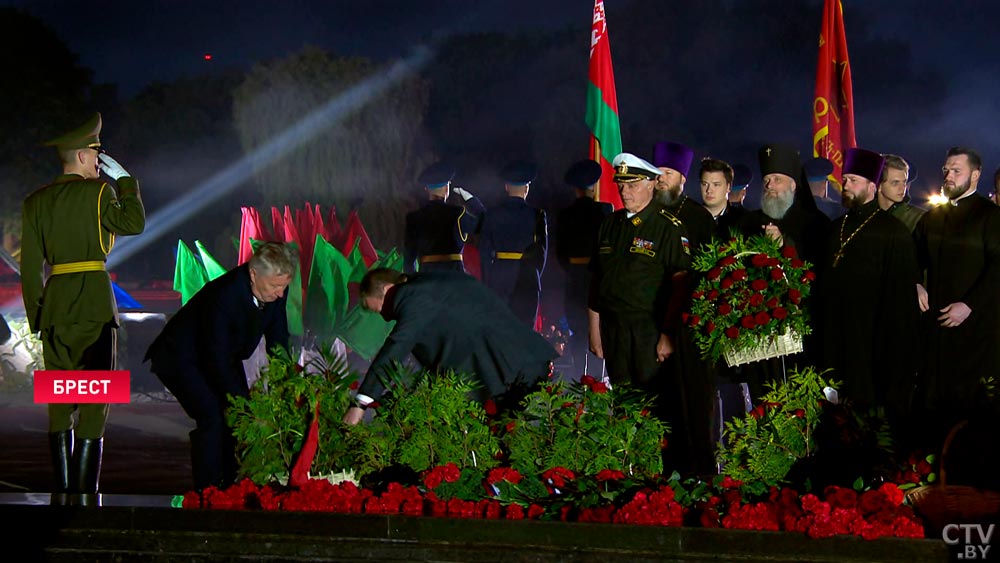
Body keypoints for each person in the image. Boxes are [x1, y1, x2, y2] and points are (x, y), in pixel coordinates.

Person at [21, 112, 146, 505]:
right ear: (80, 156)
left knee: (59, 404)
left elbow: (29, 269)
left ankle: (61, 493)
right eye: (95, 155)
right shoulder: (99, 194)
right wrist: (125, 181)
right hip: (93, 305)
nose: (98, 162)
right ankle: (86, 496)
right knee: (95, 402)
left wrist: (37, 317)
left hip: (55, 308)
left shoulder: (35, 202)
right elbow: (134, 223)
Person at [145, 242, 297, 491]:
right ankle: (209, 491)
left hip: (223, 355)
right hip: (181, 357)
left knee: (237, 416)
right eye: (274, 286)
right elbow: (216, 358)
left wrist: (288, 380)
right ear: (254, 274)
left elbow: (278, 335)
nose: (280, 294)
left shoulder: (277, 288)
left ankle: (233, 484)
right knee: (213, 416)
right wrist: (245, 406)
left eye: (284, 286)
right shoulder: (224, 295)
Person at [588, 153, 705, 473]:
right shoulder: (609, 225)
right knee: (621, 397)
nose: (625, 191)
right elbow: (597, 280)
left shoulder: (667, 227)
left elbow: (681, 284)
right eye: (621, 184)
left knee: (655, 401)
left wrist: (667, 334)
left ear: (653, 184)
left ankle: (662, 471)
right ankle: (627, 467)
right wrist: (594, 328)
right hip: (614, 327)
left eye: (633, 184)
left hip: (648, 328)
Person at [343, 268, 558, 425]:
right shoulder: (435, 279)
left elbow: (396, 347)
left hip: (511, 371)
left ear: (388, 288)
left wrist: (359, 405)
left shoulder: (412, 297)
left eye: (380, 308)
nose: (384, 316)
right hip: (522, 360)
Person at [815, 148, 920, 428]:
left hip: (873, 339)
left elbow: (901, 299)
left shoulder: (893, 232)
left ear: (872, 187)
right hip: (835, 335)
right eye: (845, 179)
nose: (845, 185)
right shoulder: (836, 227)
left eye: (852, 180)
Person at [913, 147, 1000, 452]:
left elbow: (997, 266)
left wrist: (970, 304)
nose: (948, 176)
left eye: (956, 171)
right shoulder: (932, 218)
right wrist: (916, 283)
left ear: (976, 175)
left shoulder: (991, 217)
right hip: (936, 331)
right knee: (933, 404)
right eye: (946, 170)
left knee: (970, 411)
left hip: (975, 334)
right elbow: (912, 257)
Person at [554, 159, 613, 378]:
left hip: (575, 278)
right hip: (598, 277)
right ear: (595, 185)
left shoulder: (565, 215)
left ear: (576, 188)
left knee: (578, 330)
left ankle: (582, 376)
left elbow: (560, 253)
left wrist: (572, 272)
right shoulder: (605, 210)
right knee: (599, 329)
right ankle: (599, 377)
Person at [478, 160, 548, 327]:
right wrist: (534, 274)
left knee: (501, 329)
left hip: (499, 277)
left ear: (506, 187)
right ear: (526, 188)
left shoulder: (492, 214)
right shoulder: (537, 214)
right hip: (527, 277)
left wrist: (489, 281)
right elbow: (542, 252)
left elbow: (484, 253)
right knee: (525, 332)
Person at [403, 161, 485, 274]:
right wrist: (471, 200)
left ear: (426, 189)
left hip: (427, 277)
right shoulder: (458, 213)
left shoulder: (413, 218)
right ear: (447, 189)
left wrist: (413, 280)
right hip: (454, 277)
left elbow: (409, 256)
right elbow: (485, 224)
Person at [652, 140, 716, 253]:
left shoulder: (701, 216)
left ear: (683, 179)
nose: (660, 178)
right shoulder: (643, 207)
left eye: (668, 173)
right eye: (657, 172)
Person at [877, 154, 925, 233]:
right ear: (879, 185)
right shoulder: (867, 217)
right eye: (895, 183)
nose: (903, 188)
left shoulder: (919, 218)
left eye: (904, 182)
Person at [699, 157, 746, 240]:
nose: (709, 190)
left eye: (716, 185)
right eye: (705, 184)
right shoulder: (688, 219)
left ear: (728, 187)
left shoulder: (744, 221)